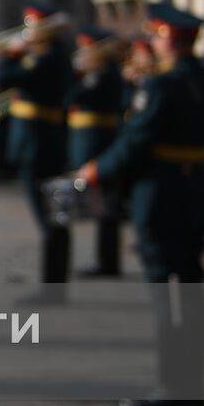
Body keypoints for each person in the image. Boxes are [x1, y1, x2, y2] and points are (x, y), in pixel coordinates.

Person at [81, 2, 204, 406]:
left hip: (160, 197)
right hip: (195, 198)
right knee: (190, 288)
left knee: (166, 295)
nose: (150, 41)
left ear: (168, 38)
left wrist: (98, 170)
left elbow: (137, 141)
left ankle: (176, 387)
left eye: (154, 34)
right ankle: (192, 382)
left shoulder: (162, 86)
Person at [0, 2, 74, 301]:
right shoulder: (49, 55)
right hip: (41, 141)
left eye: (34, 26)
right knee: (51, 217)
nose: (29, 33)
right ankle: (55, 284)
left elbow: (3, 79)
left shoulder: (48, 57)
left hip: (39, 144)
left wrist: (12, 54)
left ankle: (52, 288)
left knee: (50, 218)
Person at [66, 26, 127, 278]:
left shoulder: (102, 74)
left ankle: (108, 262)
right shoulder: (100, 72)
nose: (83, 53)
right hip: (93, 139)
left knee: (106, 206)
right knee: (103, 205)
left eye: (87, 48)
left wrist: (75, 74)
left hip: (97, 141)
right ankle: (107, 260)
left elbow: (74, 96)